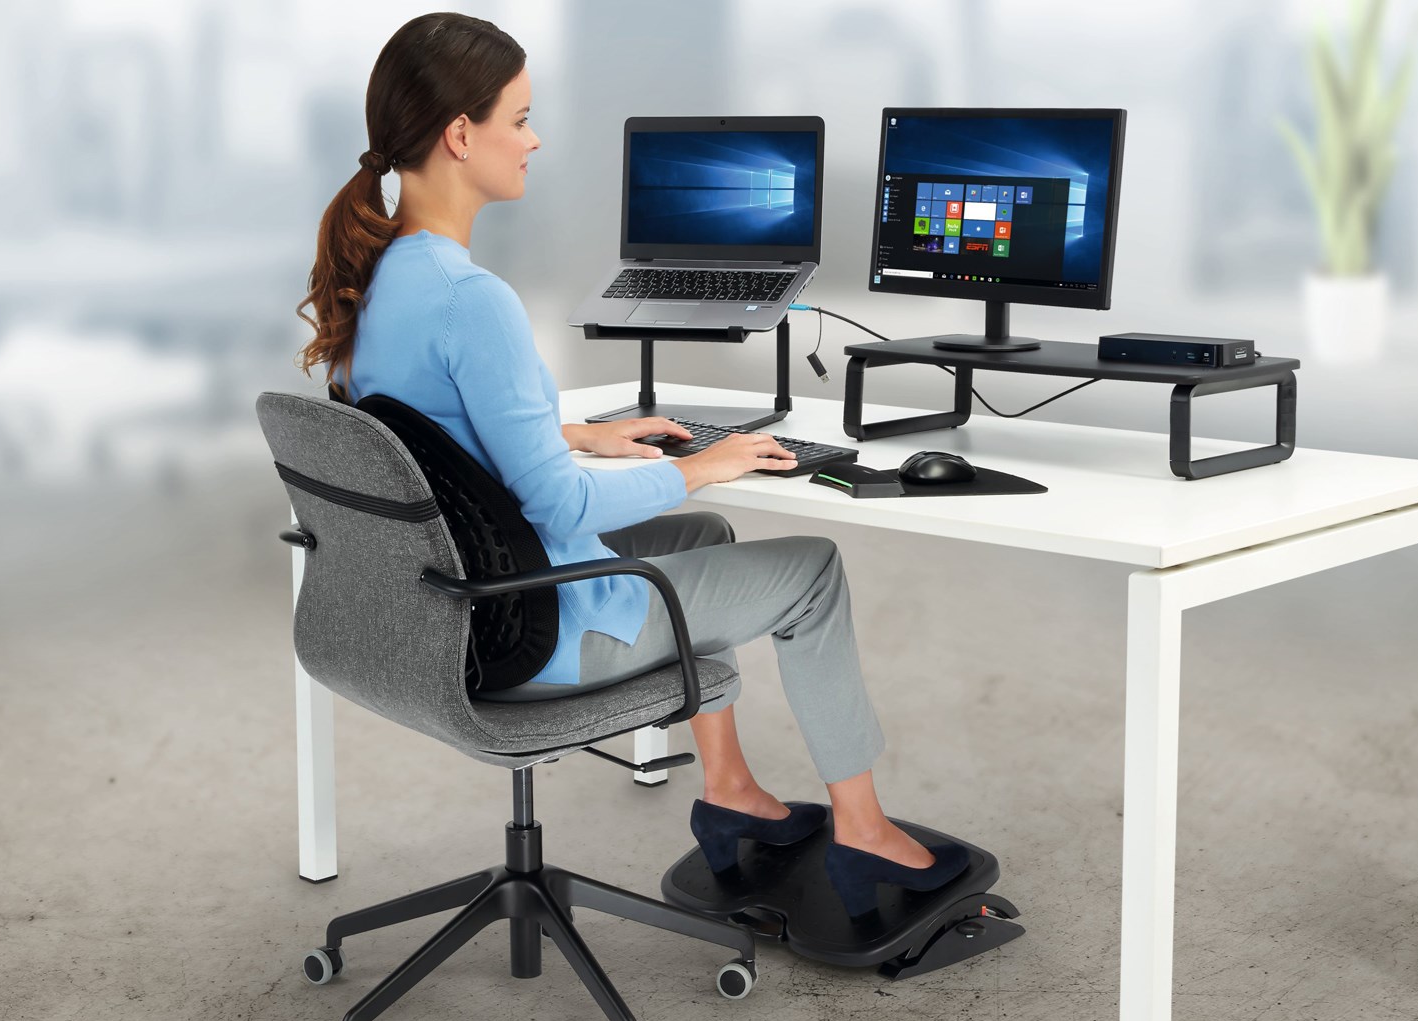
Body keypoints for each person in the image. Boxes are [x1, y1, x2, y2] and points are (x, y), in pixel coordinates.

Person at [294, 13, 965, 916]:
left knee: (700, 536)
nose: (533, 140)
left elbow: (428, 449)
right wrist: (710, 460)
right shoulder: (471, 300)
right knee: (812, 571)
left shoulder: (371, 282)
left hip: (449, 611)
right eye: (519, 117)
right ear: (461, 135)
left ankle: (727, 787)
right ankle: (864, 833)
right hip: (542, 626)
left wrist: (576, 434)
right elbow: (559, 509)